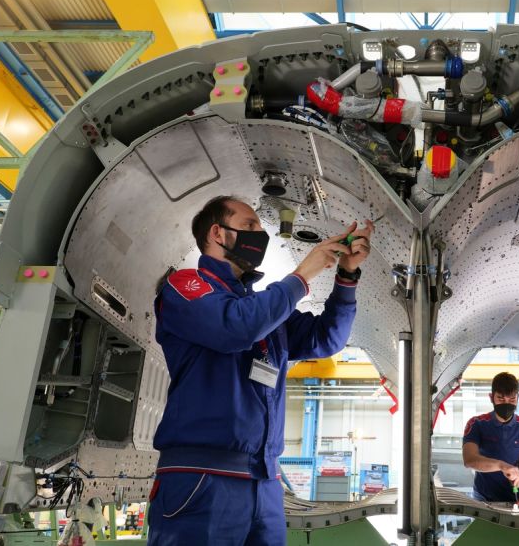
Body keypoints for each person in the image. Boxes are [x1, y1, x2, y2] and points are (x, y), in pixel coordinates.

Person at [147, 195, 374, 545]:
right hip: (202, 477)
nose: (260, 234)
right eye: (249, 225)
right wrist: (302, 275)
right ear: (217, 233)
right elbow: (235, 327)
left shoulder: (262, 306)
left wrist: (346, 275)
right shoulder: (186, 288)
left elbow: (326, 338)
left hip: (263, 481)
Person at [461, 372, 519, 507]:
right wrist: (502, 466)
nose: (506, 404)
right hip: (483, 499)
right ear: (491, 397)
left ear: (518, 398)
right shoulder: (476, 424)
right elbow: (469, 460)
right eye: (501, 399)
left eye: (512, 399)